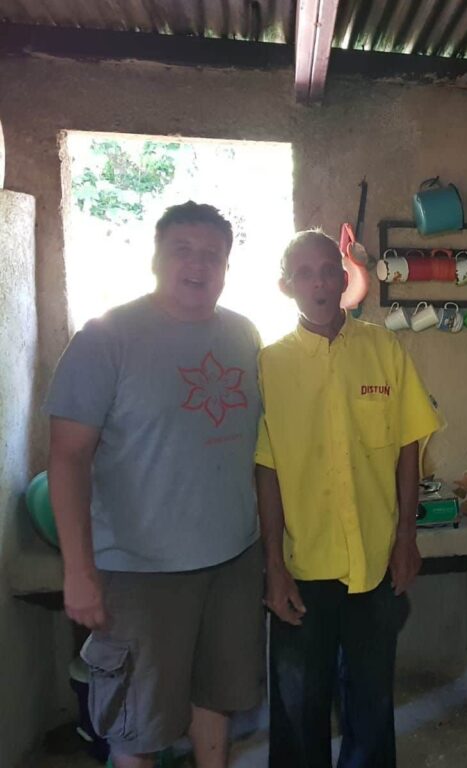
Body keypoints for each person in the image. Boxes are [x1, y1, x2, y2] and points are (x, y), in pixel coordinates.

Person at [46, 202, 264, 768]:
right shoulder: (107, 337)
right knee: (136, 724)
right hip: (140, 572)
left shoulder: (243, 334)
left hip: (233, 559)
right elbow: (67, 458)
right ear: (155, 257)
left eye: (212, 254)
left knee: (218, 697)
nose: (197, 265)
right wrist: (78, 570)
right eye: (182, 251)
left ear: (226, 266)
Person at [256, 230, 441, 768]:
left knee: (371, 701)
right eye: (304, 272)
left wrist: (407, 539)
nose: (318, 281)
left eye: (327, 270)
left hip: (376, 562)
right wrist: (273, 567)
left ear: (344, 279)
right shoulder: (270, 365)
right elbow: (265, 470)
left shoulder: (385, 349)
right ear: (286, 285)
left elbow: (410, 448)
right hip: (302, 564)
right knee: (298, 704)